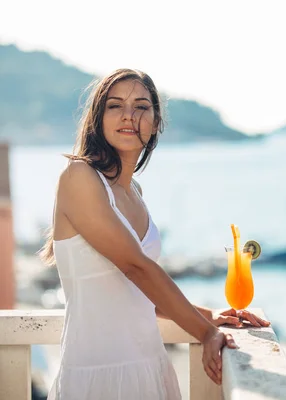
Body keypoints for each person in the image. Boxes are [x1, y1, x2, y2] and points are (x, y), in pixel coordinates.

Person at [38, 68, 270, 400]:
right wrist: (205, 333)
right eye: (115, 105)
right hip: (96, 378)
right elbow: (137, 267)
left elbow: (140, 295)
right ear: (98, 119)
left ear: (156, 121)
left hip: (150, 370)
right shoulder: (79, 178)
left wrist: (211, 316)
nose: (129, 116)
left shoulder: (136, 193)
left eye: (142, 107)